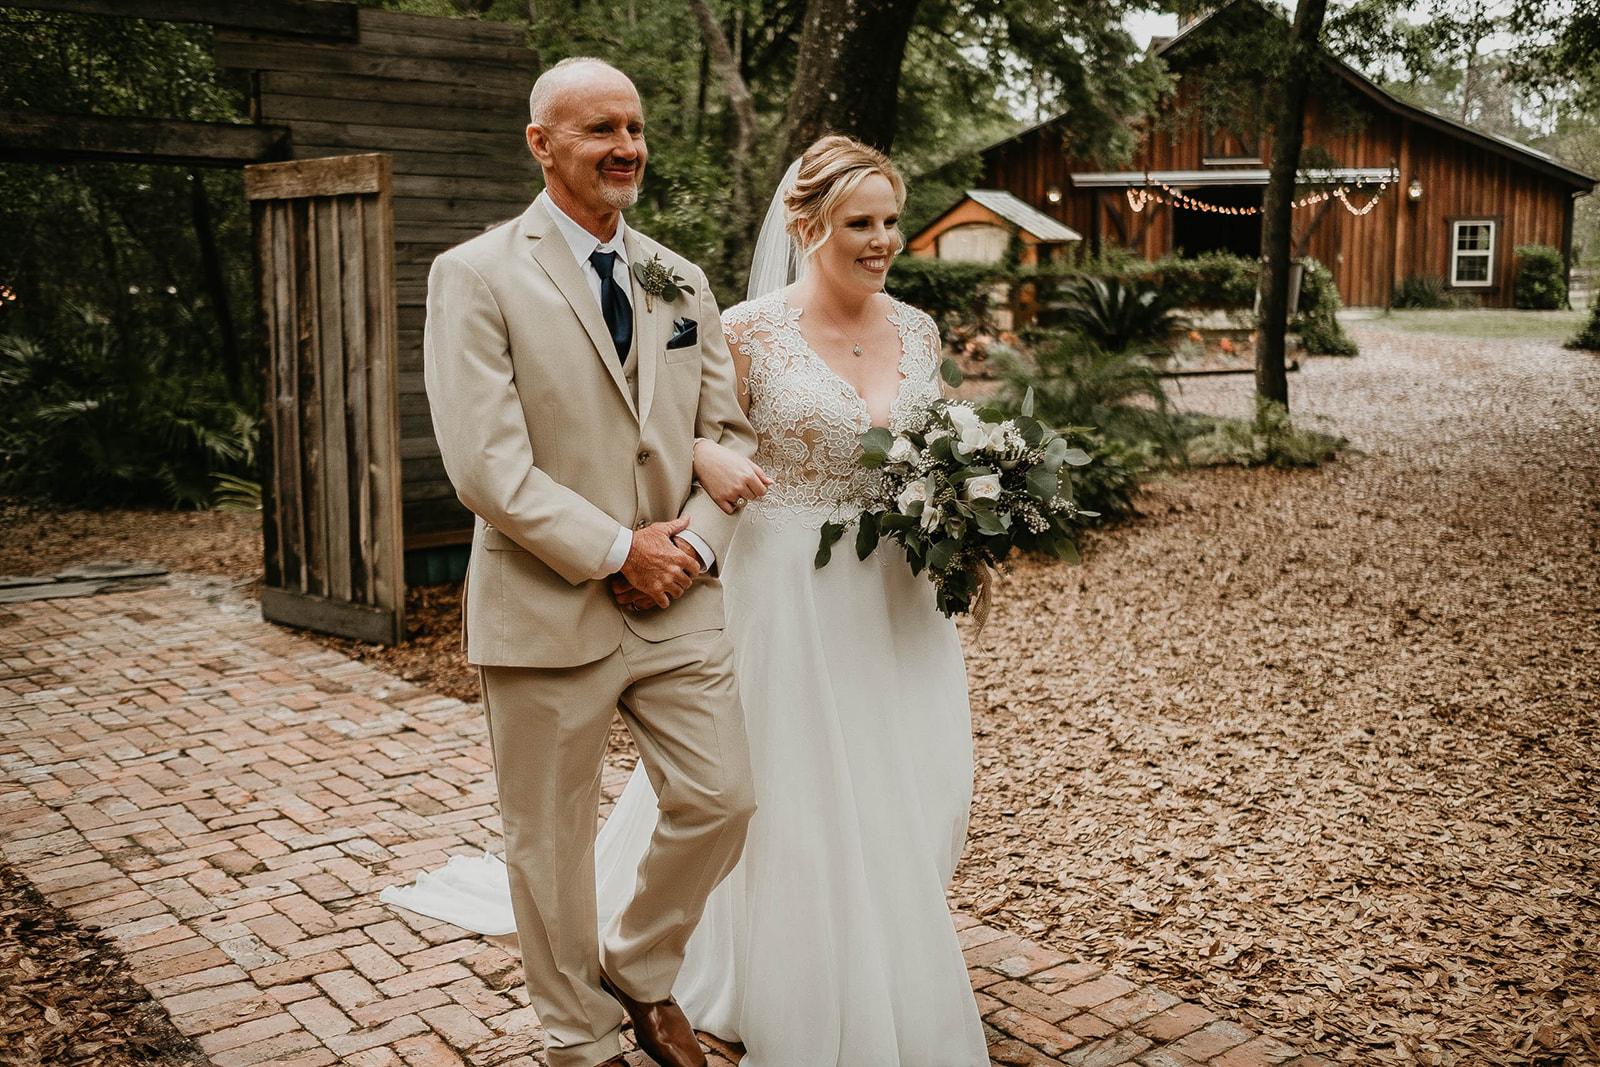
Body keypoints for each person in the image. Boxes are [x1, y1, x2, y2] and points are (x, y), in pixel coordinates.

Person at [598, 134, 989, 1066]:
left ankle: (887, 944)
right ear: (808, 225)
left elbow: (934, 446)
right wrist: (701, 466)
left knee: (915, 777)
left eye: (892, 220)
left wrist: (975, 504)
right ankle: (782, 975)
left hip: (899, 589)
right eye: (861, 222)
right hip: (788, 588)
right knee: (795, 787)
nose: (883, 239)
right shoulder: (749, 329)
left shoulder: (921, 331)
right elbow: (671, 431)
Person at [421, 57, 759, 1067]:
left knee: (723, 796)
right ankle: (577, 1032)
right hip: (544, 603)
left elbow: (724, 432)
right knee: (550, 843)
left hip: (677, 604)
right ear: (541, 143)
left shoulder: (680, 277)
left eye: (634, 127)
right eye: (598, 129)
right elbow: (486, 464)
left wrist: (691, 545)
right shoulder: (476, 274)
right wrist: (618, 548)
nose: (625, 147)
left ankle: (641, 966)